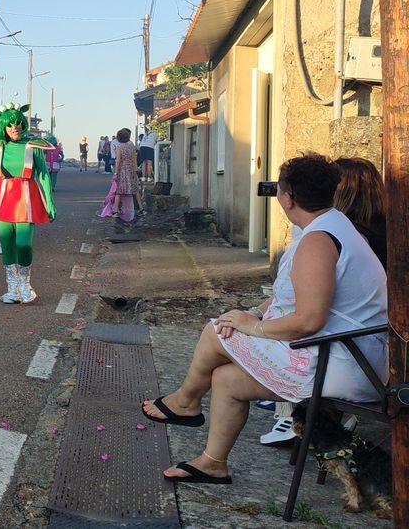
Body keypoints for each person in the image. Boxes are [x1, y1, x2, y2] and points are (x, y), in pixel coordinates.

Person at [142, 153, 388, 485]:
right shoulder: (332, 225)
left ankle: (186, 401)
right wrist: (256, 312)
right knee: (227, 379)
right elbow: (299, 294)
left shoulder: (319, 241)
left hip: (344, 362)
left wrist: (253, 327)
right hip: (347, 355)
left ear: (287, 198)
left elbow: (309, 320)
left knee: (217, 330)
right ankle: (213, 463)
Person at [259, 155, 388, 445]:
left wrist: (256, 322)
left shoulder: (334, 236)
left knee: (230, 336)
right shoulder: (374, 231)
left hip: (349, 351)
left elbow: (306, 311)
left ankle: (287, 415)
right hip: (366, 345)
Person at [0, 103, 56, 303]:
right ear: (4, 127)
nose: (14, 127)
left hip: (26, 198)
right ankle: (13, 289)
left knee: (24, 244)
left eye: (17, 123)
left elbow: (43, 176)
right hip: (3, 198)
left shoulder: (33, 146)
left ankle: (25, 286)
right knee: (7, 244)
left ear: (23, 124)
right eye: (9, 125)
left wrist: (49, 203)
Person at [111, 129, 142, 218]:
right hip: (131, 169)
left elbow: (118, 161)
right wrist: (136, 170)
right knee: (135, 190)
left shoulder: (119, 147)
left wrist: (115, 173)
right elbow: (134, 160)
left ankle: (115, 210)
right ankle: (141, 208)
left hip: (123, 169)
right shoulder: (132, 147)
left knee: (119, 190)